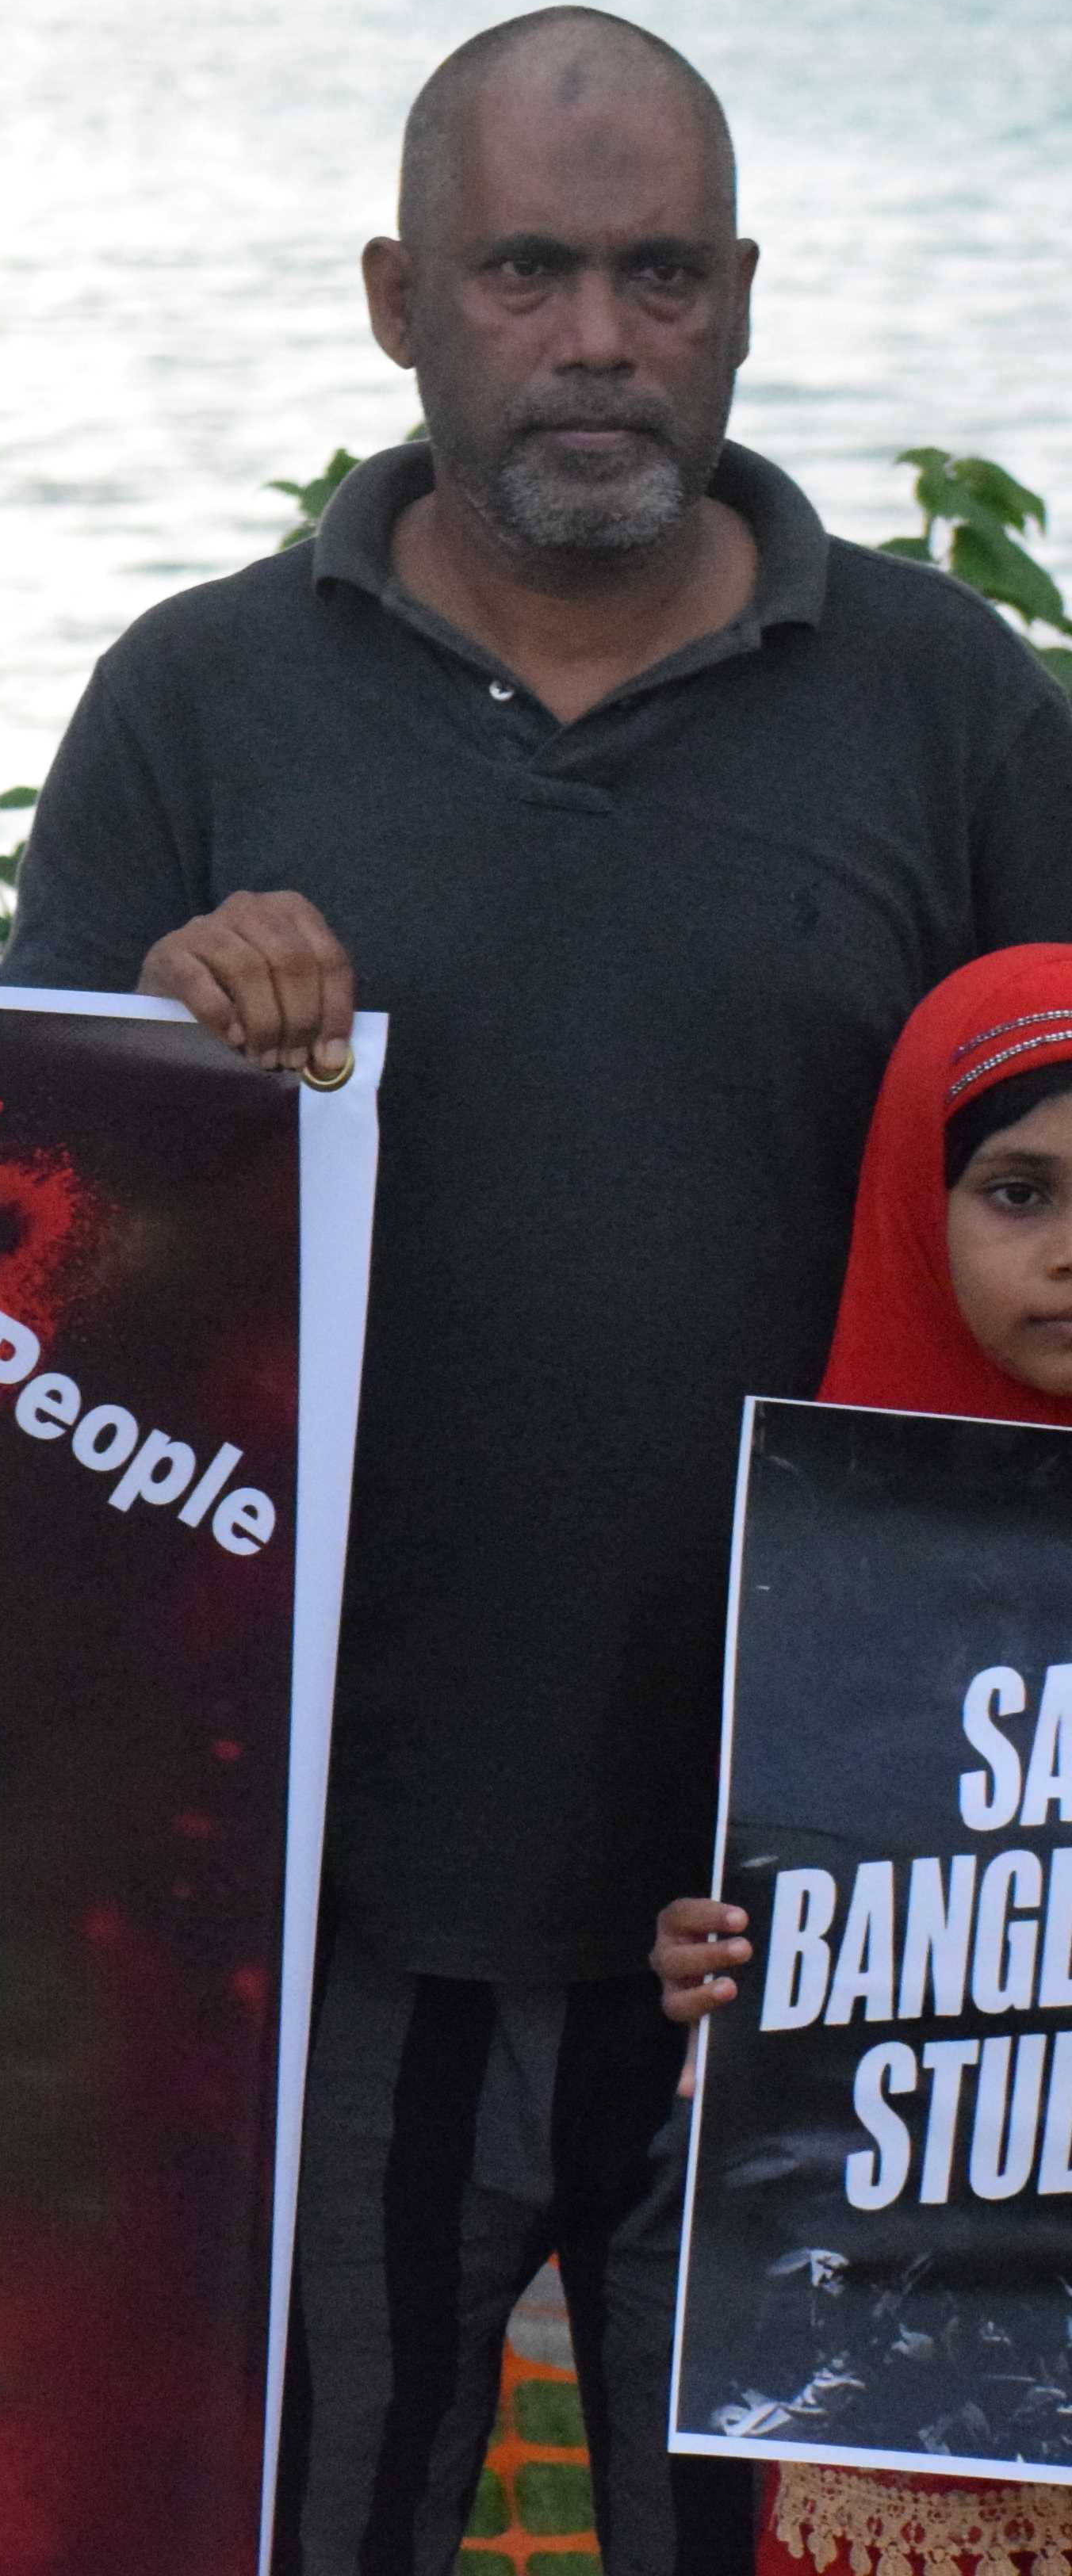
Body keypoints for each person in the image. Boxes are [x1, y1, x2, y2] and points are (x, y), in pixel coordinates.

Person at [0, 7, 1072, 2570]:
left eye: (658, 273)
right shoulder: (197, 702)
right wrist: (164, 1073)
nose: (599, 336)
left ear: (742, 298)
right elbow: (9, 1286)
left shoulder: (949, 704)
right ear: (399, 298)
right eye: (527, 269)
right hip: (341, 1911)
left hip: (835, 1933)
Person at [652, 942, 1072, 2569]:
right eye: (1018, 1192)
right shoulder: (829, 1571)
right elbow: (804, 1908)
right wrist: (724, 1967)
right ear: (914, 1200)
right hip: (907, 2407)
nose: (1068, 1252)